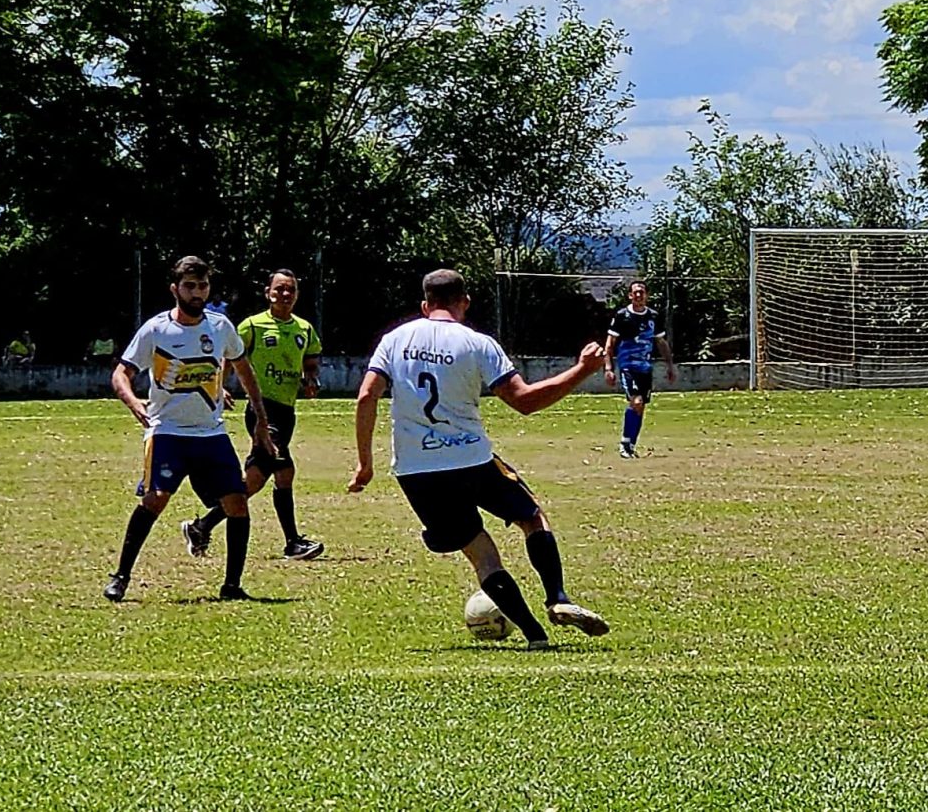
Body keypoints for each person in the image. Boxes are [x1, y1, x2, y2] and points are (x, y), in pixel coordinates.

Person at [349, 269, 612, 648]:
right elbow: (525, 401)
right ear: (465, 302)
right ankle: (557, 597)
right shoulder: (477, 343)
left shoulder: (394, 340)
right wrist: (581, 370)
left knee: (481, 554)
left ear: (425, 305)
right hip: (472, 459)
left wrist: (365, 463)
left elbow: (366, 396)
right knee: (532, 517)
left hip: (416, 470)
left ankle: (534, 634)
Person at [104, 256, 273, 602]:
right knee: (156, 499)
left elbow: (242, 368)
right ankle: (121, 576)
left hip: (211, 433)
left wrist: (260, 418)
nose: (198, 293)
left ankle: (232, 586)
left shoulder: (220, 326)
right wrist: (135, 403)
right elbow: (121, 374)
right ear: (174, 289)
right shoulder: (156, 329)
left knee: (237, 502)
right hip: (168, 432)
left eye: (203, 286)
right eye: (190, 286)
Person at [185, 269, 325, 561]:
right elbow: (228, 356)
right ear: (267, 292)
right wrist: (219, 387)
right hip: (262, 409)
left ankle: (202, 526)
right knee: (280, 471)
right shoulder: (253, 326)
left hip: (287, 410)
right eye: (279, 289)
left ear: (297, 294)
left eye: (291, 290)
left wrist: (311, 380)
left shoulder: (304, 329)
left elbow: (311, 362)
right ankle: (293, 543)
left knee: (263, 478)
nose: (285, 294)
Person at [604, 282, 674, 459]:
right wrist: (608, 368)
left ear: (647, 295)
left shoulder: (653, 316)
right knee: (636, 401)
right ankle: (624, 444)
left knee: (640, 407)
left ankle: (630, 444)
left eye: (641, 292)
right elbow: (610, 344)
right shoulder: (622, 316)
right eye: (635, 292)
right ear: (630, 295)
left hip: (645, 367)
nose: (638, 295)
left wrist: (670, 365)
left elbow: (661, 342)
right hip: (628, 365)